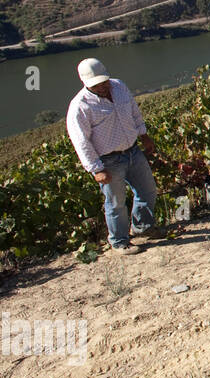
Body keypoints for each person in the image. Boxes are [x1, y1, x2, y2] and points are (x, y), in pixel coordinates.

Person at [66, 58, 163, 255]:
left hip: (133, 151)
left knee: (148, 190)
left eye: (104, 81)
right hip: (109, 161)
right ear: (85, 83)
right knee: (116, 203)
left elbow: (134, 112)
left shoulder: (119, 86)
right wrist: (96, 169)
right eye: (97, 84)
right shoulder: (80, 107)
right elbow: (81, 141)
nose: (103, 86)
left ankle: (143, 227)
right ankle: (119, 242)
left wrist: (144, 135)